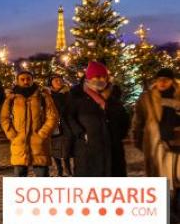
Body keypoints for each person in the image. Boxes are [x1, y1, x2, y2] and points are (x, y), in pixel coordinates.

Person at [66, 61, 130, 176]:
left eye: (103, 77)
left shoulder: (113, 97)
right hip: (87, 149)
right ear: (89, 78)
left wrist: (117, 135)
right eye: (97, 76)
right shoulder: (77, 97)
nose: (101, 80)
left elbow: (124, 119)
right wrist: (81, 134)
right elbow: (69, 118)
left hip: (113, 150)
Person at [132, 68, 180, 218]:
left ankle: (176, 209)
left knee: (177, 179)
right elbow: (138, 120)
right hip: (156, 145)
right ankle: (161, 211)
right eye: (160, 79)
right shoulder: (146, 98)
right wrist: (138, 139)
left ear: (172, 81)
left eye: (166, 79)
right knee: (160, 179)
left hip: (178, 145)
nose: (162, 82)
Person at [0, 71, 58, 177]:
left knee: (42, 180)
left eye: (28, 79)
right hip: (19, 143)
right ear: (17, 81)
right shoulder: (11, 98)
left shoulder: (42, 96)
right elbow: (4, 118)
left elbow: (52, 116)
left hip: (39, 144)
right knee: (20, 181)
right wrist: (12, 134)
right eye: (22, 79)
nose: (25, 81)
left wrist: (42, 134)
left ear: (32, 80)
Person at [49, 75, 73, 176]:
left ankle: (67, 167)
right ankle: (59, 168)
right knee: (55, 147)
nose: (58, 82)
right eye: (55, 80)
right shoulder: (48, 95)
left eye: (60, 80)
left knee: (67, 146)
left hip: (67, 123)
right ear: (51, 83)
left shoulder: (69, 93)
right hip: (54, 124)